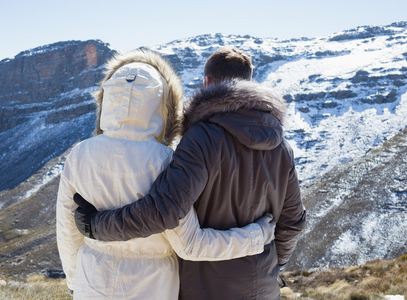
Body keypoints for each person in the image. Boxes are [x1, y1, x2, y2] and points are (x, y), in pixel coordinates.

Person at [74, 46, 307, 299]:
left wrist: (97, 226)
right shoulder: (282, 146)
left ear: (206, 82)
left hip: (206, 287)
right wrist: (272, 263)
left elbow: (164, 210)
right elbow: (292, 222)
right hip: (264, 287)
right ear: (250, 83)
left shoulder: (204, 137)